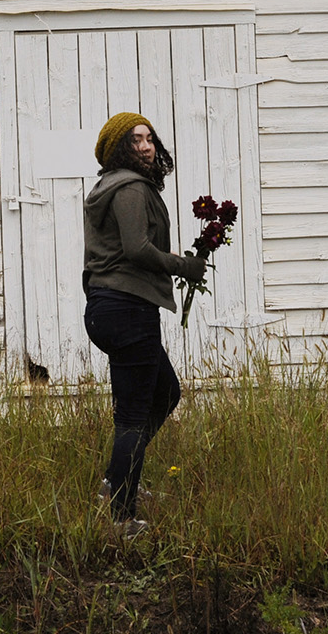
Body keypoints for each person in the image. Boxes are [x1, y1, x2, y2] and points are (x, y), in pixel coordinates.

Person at [81, 111, 206, 537]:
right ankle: (119, 518)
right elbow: (137, 249)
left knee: (166, 392)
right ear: (118, 148)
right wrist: (183, 266)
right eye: (136, 140)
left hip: (109, 307)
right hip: (128, 307)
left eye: (150, 137)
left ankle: (118, 479)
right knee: (133, 417)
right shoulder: (131, 188)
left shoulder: (109, 186)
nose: (147, 145)